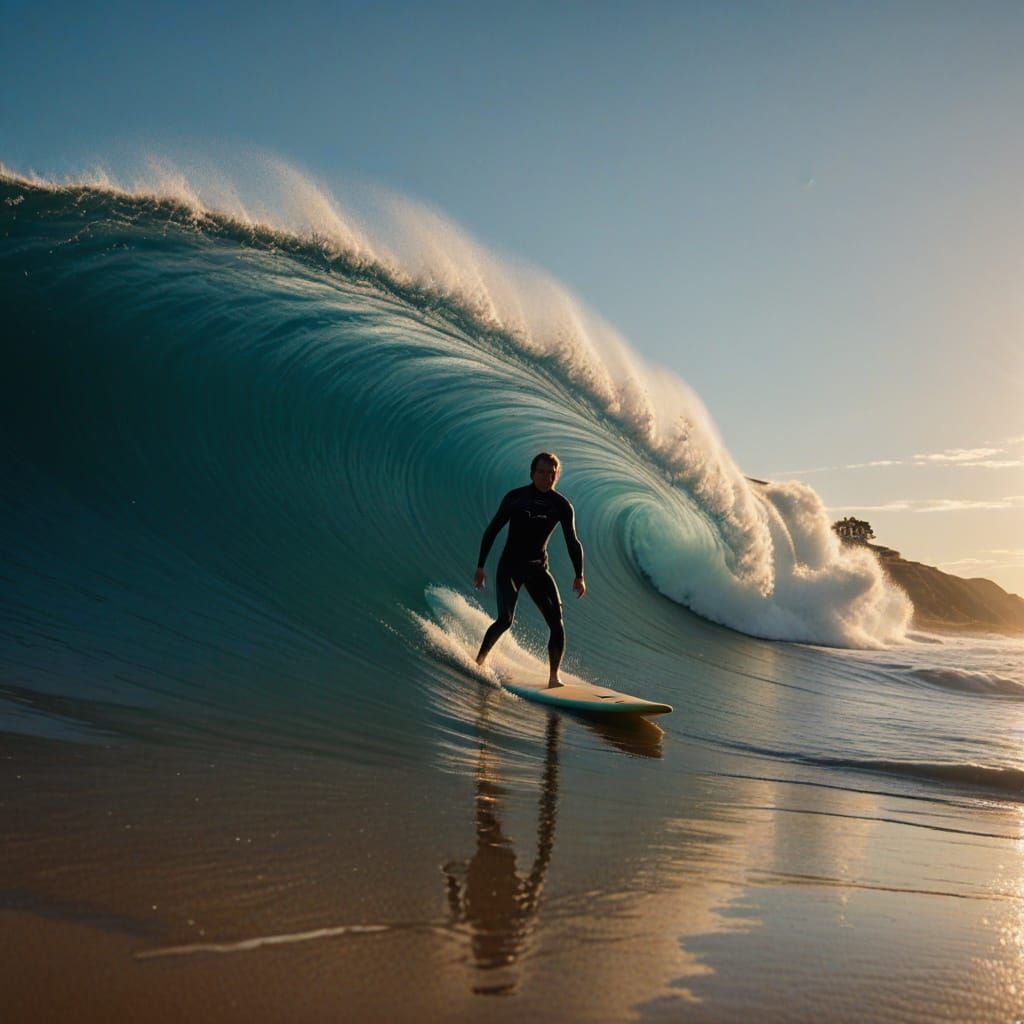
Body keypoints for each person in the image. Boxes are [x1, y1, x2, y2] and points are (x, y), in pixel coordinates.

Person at [474, 452, 585, 688]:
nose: (546, 477)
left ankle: (554, 678)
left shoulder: (562, 506)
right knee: (505, 620)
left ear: (556, 475)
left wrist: (579, 575)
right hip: (510, 567)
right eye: (541, 472)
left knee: (557, 622)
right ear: (532, 473)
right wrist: (481, 565)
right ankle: (479, 662)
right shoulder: (516, 498)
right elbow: (493, 529)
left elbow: (572, 541)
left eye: (551, 473)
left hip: (538, 569)